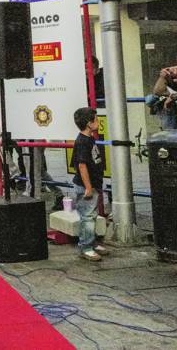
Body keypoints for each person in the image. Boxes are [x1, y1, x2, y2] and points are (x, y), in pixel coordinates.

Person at [69, 106, 109, 261]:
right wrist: (88, 187)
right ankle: (86, 246)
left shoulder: (89, 138)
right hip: (86, 185)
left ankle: (91, 242)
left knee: (91, 215)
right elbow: (81, 165)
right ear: (88, 123)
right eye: (96, 119)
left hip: (93, 183)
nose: (98, 121)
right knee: (87, 216)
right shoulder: (82, 142)